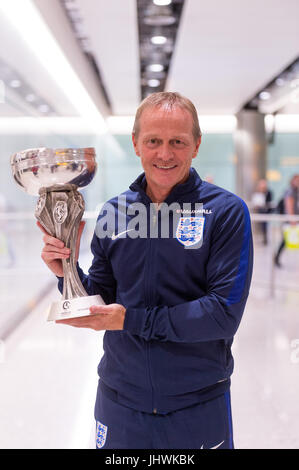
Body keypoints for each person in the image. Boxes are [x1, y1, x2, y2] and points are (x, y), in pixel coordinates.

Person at [38, 92, 253, 450]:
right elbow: (104, 296)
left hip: (197, 403)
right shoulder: (113, 212)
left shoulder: (226, 212)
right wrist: (66, 272)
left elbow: (222, 315)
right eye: (153, 141)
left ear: (196, 145)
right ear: (136, 143)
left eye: (177, 142)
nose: (164, 153)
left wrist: (130, 320)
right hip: (120, 400)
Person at [274, 174, 299, 267]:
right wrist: (292, 219)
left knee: (285, 240)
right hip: (291, 220)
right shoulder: (290, 191)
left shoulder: (296, 191)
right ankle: (276, 257)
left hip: (295, 219)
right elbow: (289, 206)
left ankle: (276, 257)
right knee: (284, 240)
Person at [251, 178, 273, 244]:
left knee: (265, 226)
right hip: (259, 211)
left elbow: (269, 201)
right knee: (259, 226)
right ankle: (259, 238)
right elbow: (255, 201)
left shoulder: (268, 192)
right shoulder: (257, 192)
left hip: (266, 211)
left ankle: (265, 239)